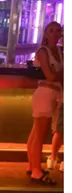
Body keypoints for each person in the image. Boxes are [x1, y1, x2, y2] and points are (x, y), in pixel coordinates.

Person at [26, 21, 63, 185]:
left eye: (58, 30)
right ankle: (36, 171)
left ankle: (32, 166)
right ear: (46, 34)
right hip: (44, 94)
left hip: (54, 94)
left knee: (36, 133)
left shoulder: (61, 52)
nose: (55, 33)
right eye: (51, 30)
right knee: (39, 135)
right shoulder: (43, 51)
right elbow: (50, 76)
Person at [47, 25, 64, 172]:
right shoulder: (59, 51)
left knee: (60, 129)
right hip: (61, 95)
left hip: (62, 94)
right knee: (60, 129)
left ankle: (54, 157)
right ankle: (54, 157)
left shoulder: (61, 51)